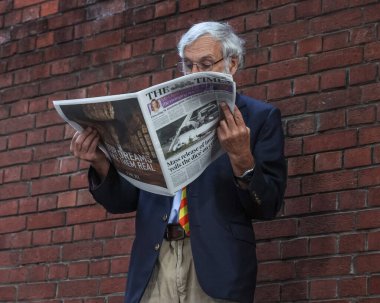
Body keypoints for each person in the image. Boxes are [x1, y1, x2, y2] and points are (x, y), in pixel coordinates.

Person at [71, 21, 287, 303]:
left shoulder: (260, 118)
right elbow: (123, 201)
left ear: (232, 64)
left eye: (205, 63)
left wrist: (242, 158)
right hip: (154, 263)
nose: (193, 74)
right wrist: (100, 163)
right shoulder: (154, 118)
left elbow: (268, 205)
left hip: (216, 266)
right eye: (188, 65)